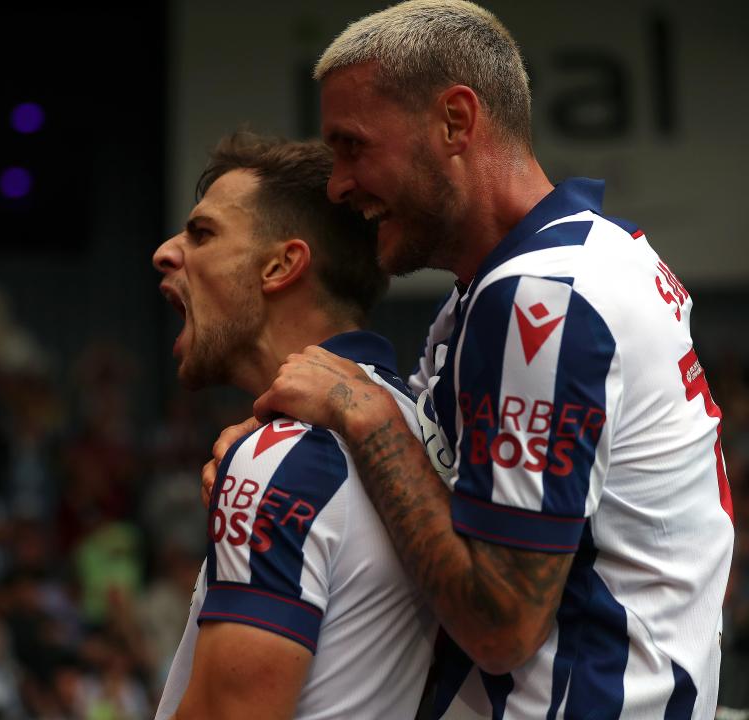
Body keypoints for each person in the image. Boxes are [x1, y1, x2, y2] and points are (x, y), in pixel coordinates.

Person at [207, 1, 735, 717]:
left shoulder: (543, 296)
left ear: (455, 122)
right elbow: (426, 477)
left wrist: (364, 414)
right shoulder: (558, 267)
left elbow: (501, 626)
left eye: (353, 147)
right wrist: (287, 453)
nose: (338, 185)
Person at [152, 133, 434, 719]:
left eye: (202, 234)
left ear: (281, 266)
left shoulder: (283, 454)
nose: (166, 253)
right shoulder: (413, 426)